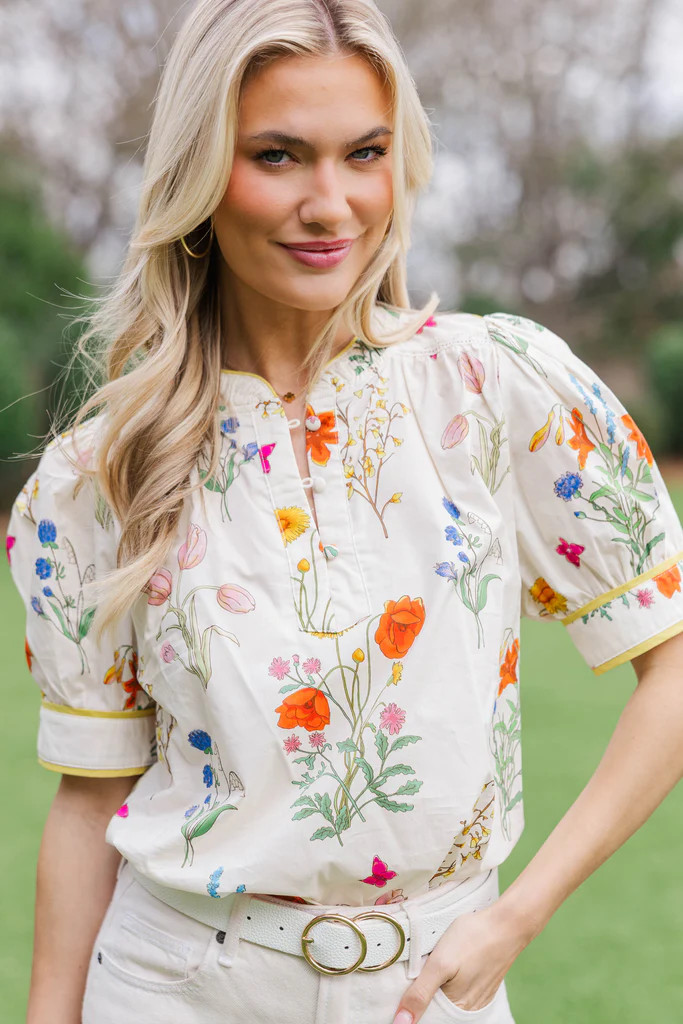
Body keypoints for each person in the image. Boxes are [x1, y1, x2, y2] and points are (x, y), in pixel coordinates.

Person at [6, 0, 683, 1022]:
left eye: (363, 153)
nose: (330, 204)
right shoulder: (100, 473)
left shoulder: (495, 387)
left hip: (434, 988)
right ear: (198, 174)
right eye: (277, 156)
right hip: (173, 987)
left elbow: (669, 662)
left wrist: (518, 913)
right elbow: (90, 798)